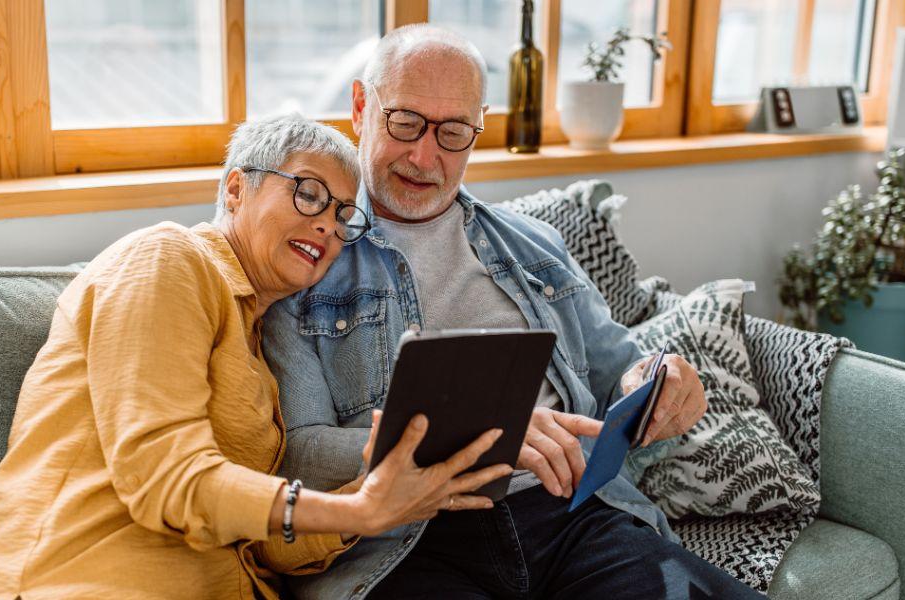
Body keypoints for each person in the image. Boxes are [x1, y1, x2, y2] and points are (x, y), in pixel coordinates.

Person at [263, 26, 765, 599]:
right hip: (403, 543)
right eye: (404, 123)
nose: (424, 155)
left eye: (453, 133)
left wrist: (659, 377)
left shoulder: (536, 246)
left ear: (478, 130)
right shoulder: (305, 258)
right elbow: (298, 454)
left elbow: (618, 372)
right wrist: (483, 435)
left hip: (571, 517)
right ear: (360, 107)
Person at [0, 114, 512, 600]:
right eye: (308, 193)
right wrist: (357, 509)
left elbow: (263, 545)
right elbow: (165, 477)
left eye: (345, 214)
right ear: (236, 189)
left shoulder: (259, 343)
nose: (329, 224)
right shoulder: (166, 258)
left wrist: (370, 499)